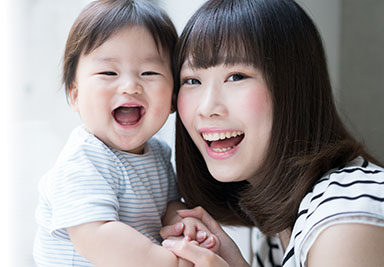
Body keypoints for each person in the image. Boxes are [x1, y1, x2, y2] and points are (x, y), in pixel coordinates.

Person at [160, 0, 384, 266]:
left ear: (293, 87)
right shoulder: (274, 225)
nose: (207, 108)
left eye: (236, 76)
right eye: (192, 81)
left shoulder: (347, 212)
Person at [33, 0, 216, 266]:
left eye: (149, 72)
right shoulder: (83, 161)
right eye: (109, 72)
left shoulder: (158, 153)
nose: (131, 86)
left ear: (173, 97)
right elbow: (96, 236)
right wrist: (167, 261)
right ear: (75, 95)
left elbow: (168, 205)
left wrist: (181, 224)